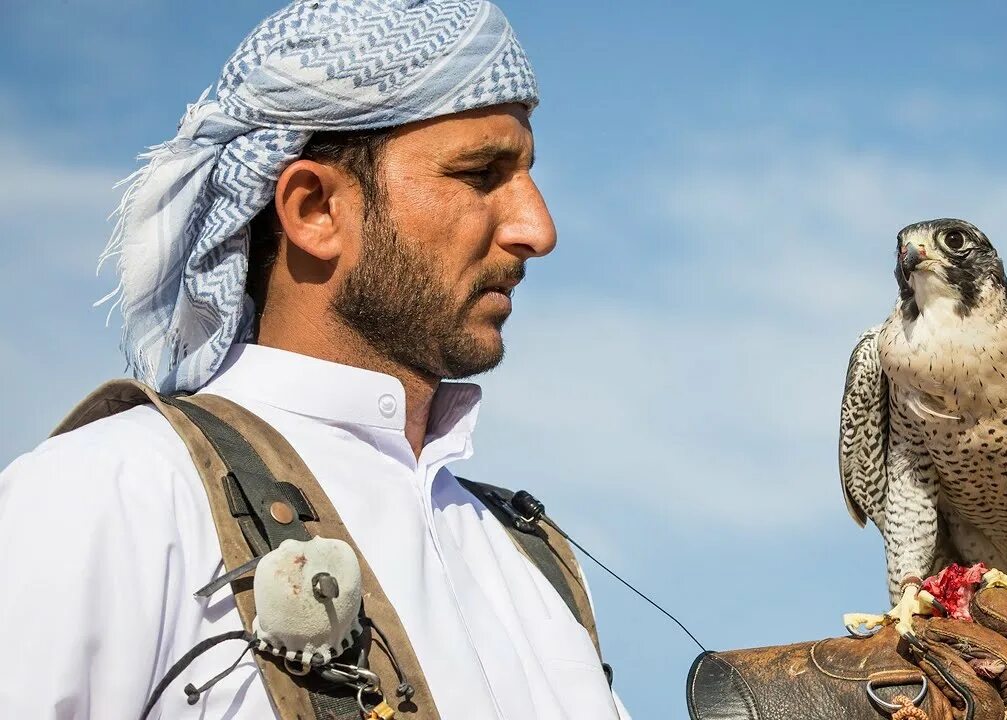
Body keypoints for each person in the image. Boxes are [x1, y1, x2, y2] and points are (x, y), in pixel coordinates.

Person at [0, 1, 629, 718]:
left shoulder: (530, 563)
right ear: (315, 210)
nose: (537, 229)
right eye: (480, 174)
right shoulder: (120, 492)